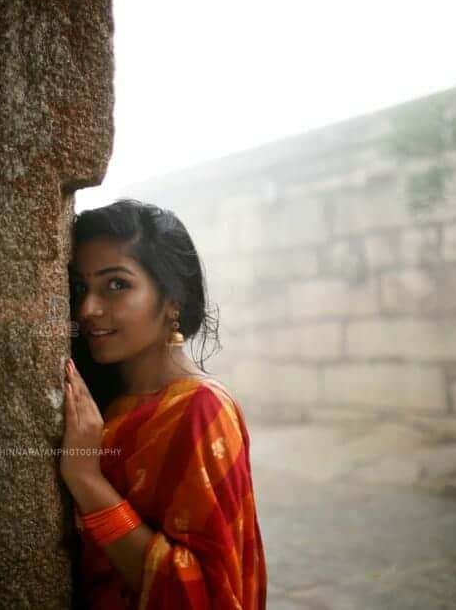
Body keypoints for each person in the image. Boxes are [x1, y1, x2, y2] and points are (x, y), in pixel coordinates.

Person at [60, 199, 267, 609]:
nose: (88, 309)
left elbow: (205, 596)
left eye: (117, 284)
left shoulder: (200, 410)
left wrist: (87, 481)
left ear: (173, 300)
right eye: (82, 288)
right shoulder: (104, 401)